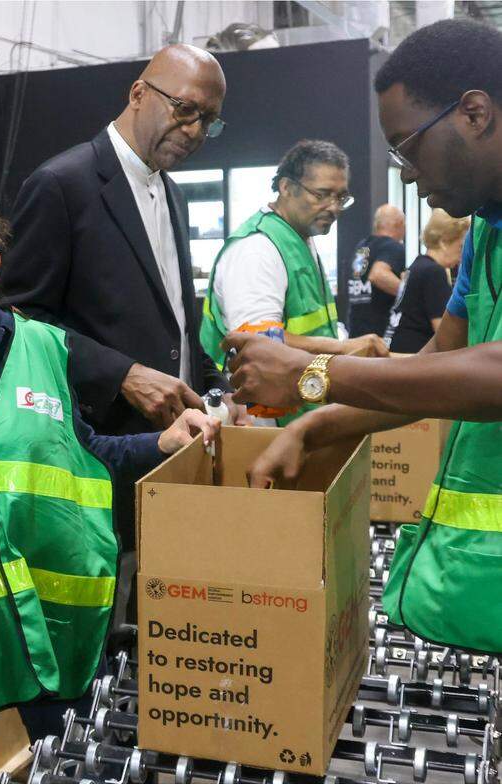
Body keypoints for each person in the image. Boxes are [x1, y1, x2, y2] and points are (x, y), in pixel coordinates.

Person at [0, 185, 220, 782]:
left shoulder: (42, 349)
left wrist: (162, 443)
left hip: (54, 623)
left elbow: (84, 455)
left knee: (81, 769)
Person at [223, 18, 502, 654]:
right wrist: (311, 427)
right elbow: (437, 366)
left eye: (408, 147)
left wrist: (308, 376)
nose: (404, 173)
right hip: (472, 596)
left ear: (476, 113)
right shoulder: (486, 228)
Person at [0, 44, 244, 626]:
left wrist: (217, 381)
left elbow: (174, 317)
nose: (195, 129)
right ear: (139, 93)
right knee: (105, 629)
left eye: (208, 119)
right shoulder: (62, 184)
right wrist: (122, 375)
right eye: (185, 109)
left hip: (175, 445)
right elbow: (15, 317)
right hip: (101, 450)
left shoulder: (171, 191)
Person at [200, 139, 390, 423]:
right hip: (260, 419)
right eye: (322, 194)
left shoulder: (300, 239)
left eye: (341, 198)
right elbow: (259, 344)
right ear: (286, 187)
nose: (334, 207)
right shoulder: (257, 249)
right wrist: (342, 349)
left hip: (298, 411)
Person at [384, 209, 469, 352]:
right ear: (444, 241)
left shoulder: (417, 265)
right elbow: (445, 333)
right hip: (416, 352)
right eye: (460, 247)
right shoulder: (434, 272)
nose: (461, 257)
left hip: (398, 346)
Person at [348, 204, 407, 339]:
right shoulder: (393, 246)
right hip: (380, 333)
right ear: (399, 224)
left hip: (356, 333)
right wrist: (410, 296)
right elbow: (378, 275)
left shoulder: (362, 247)